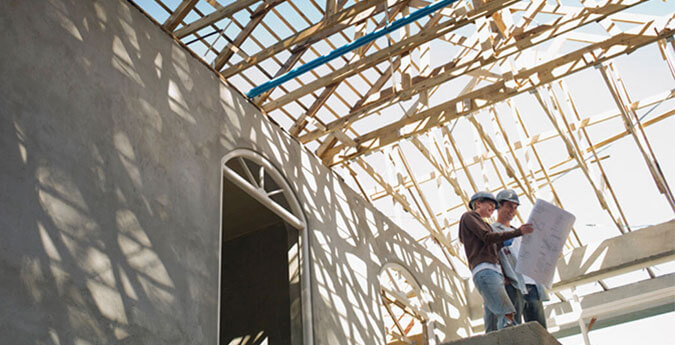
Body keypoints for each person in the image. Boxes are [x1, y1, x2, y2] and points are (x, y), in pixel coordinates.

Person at [459, 191, 534, 331]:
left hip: (493, 272)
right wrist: (517, 232)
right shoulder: (469, 216)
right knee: (507, 313)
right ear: (477, 204)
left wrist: (508, 240)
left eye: (494, 205)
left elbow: (493, 243)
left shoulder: (484, 224)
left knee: (494, 315)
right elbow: (487, 237)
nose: (493, 207)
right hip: (486, 271)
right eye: (490, 203)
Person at [490, 189, 548, 329]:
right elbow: (492, 255)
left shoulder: (521, 233)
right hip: (514, 284)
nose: (512, 210)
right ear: (499, 206)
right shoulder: (493, 230)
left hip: (531, 284)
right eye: (509, 206)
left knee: (539, 329)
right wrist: (503, 278)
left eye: (515, 207)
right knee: (516, 329)